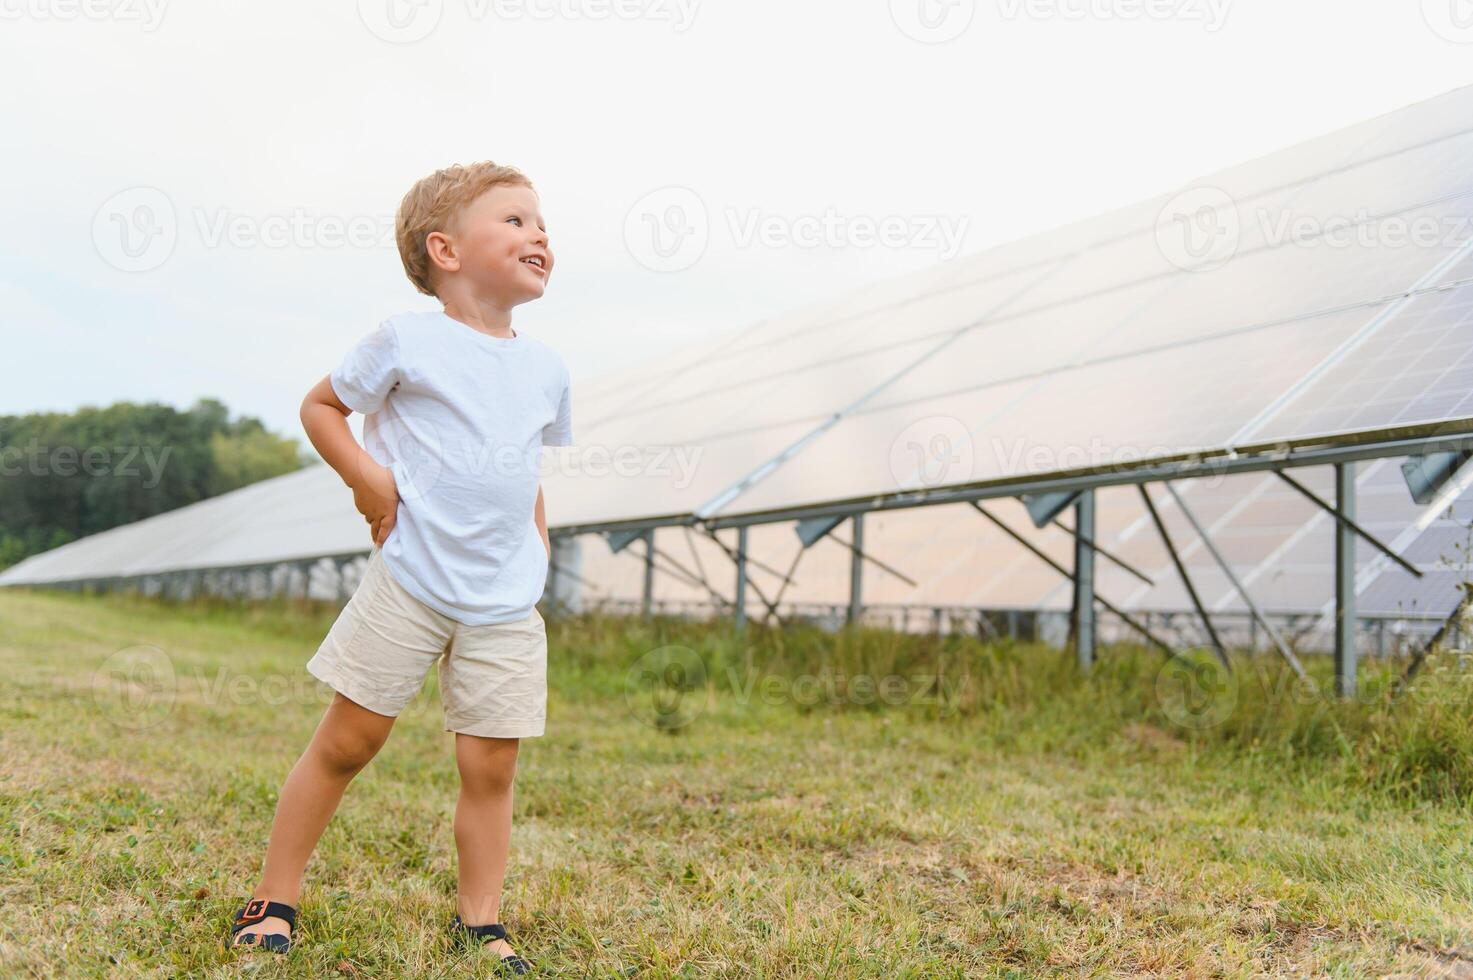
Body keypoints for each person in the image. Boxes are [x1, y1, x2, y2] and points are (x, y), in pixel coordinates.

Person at [224, 161, 572, 976]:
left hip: (505, 601)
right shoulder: (407, 338)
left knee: (492, 764)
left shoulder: (547, 366)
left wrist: (540, 554)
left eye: (542, 224)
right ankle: (275, 896)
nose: (540, 235)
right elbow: (322, 406)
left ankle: (479, 920)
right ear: (444, 250)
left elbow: (524, 471)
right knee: (349, 741)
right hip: (411, 578)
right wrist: (368, 477)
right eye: (515, 221)